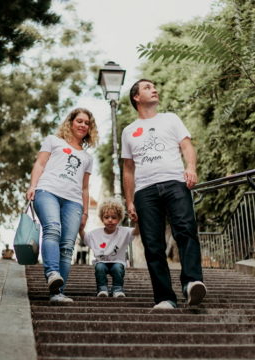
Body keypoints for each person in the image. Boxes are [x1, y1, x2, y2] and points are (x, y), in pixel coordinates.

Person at [121, 79, 207, 309]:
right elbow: (128, 168)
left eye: (154, 87)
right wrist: (129, 201)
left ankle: (191, 283)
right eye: (148, 88)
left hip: (175, 183)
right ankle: (165, 297)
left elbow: (187, 146)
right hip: (145, 191)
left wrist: (190, 167)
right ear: (136, 97)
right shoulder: (128, 131)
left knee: (186, 231)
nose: (155, 89)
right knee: (153, 244)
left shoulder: (171, 119)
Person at [26, 108, 98, 303]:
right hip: (47, 191)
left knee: (67, 246)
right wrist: (33, 186)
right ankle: (51, 273)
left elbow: (84, 188)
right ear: (71, 122)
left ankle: (57, 293)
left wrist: (85, 212)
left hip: (73, 201)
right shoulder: (53, 141)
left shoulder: (87, 158)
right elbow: (40, 164)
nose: (83, 125)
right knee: (52, 229)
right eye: (80, 121)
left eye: (87, 123)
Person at [79, 198, 138, 298]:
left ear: (119, 219)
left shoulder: (124, 231)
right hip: (102, 263)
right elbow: (85, 237)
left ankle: (117, 289)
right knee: (100, 267)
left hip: (117, 262)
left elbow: (136, 232)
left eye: (114, 217)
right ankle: (102, 289)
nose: (110, 220)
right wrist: (81, 229)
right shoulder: (95, 234)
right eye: (106, 217)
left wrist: (137, 222)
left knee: (118, 268)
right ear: (102, 218)